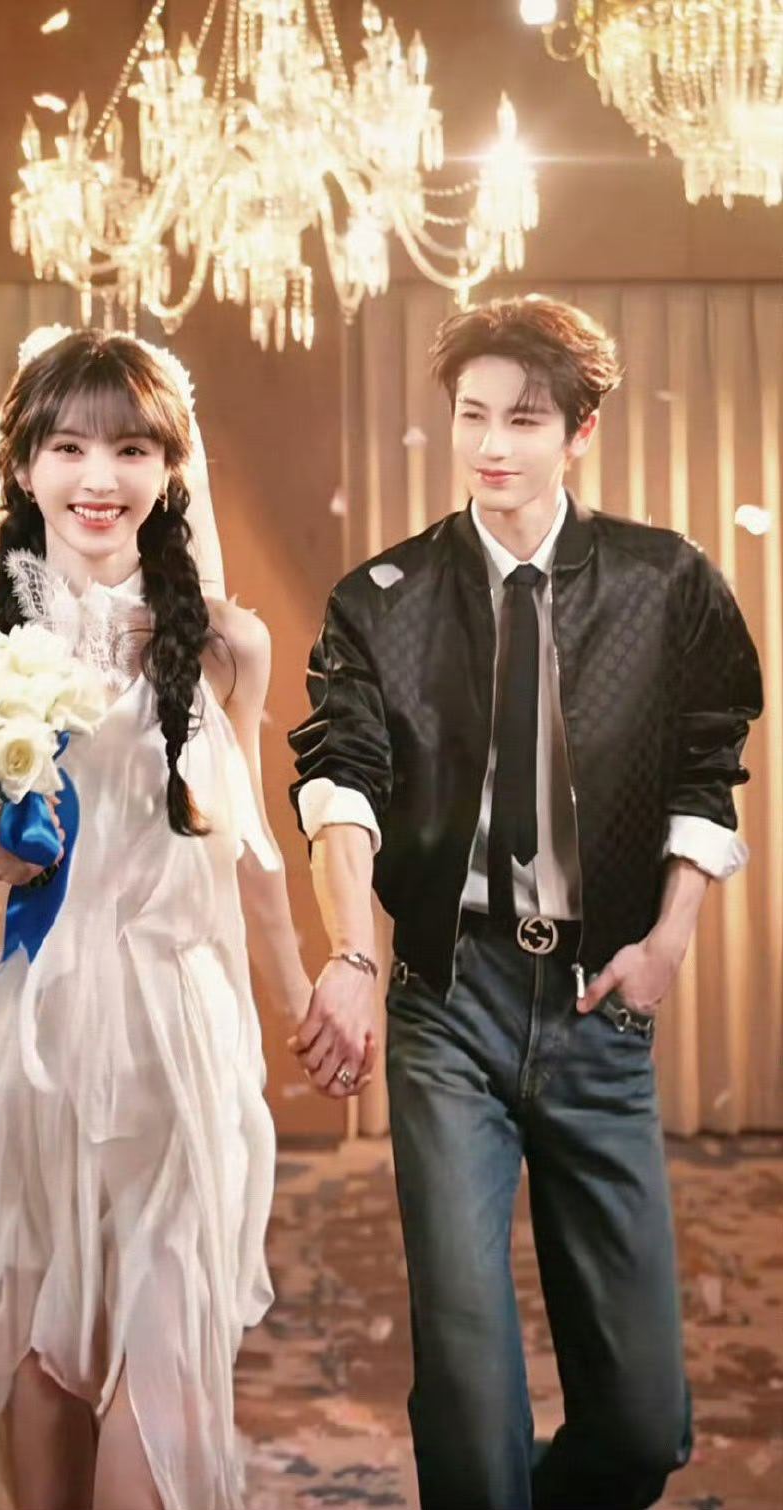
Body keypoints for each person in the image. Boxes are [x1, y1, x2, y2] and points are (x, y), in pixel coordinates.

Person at [287, 295, 763, 1510]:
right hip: (449, 997)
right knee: (464, 1363)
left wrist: (668, 943)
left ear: (580, 430)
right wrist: (351, 951)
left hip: (601, 1002)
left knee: (645, 1424)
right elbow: (342, 782)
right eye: (473, 416)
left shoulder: (665, 582)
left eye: (525, 419)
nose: (492, 445)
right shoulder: (383, 597)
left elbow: (708, 768)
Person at [0, 327, 311, 1510]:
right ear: (22, 467)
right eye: (68, 448)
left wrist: (308, 994)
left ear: (169, 466)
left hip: (175, 1035)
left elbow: (251, 844)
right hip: (26, 1041)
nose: (98, 477)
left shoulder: (227, 641)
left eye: (130, 449)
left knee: (171, 1367)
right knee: (42, 1368)